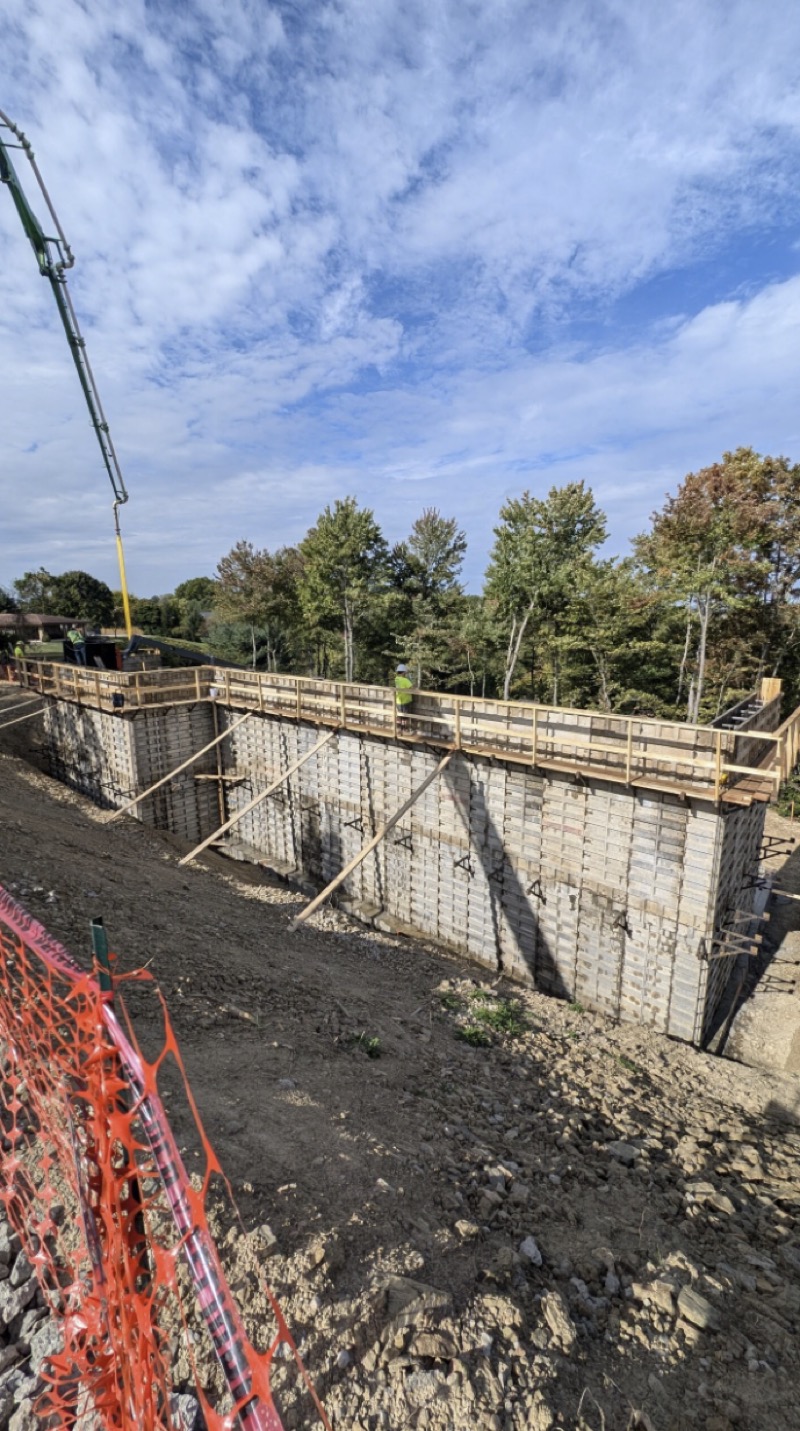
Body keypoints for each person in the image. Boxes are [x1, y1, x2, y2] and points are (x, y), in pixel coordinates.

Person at [395, 663, 414, 733]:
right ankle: (405, 729)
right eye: (405, 672)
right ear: (403, 672)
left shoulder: (396, 679)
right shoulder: (405, 680)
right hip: (406, 701)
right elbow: (412, 688)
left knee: (399, 715)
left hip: (398, 700)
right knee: (405, 716)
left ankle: (399, 729)